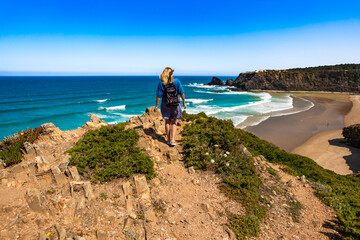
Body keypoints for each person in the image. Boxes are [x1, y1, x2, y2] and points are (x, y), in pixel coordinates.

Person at [155, 67, 186, 146]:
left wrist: (156, 106)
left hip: (165, 104)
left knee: (167, 122)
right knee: (174, 122)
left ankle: (168, 140)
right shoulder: (177, 81)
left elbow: (159, 95)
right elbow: (182, 93)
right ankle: (172, 140)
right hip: (175, 104)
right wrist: (184, 103)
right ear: (171, 73)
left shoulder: (162, 83)